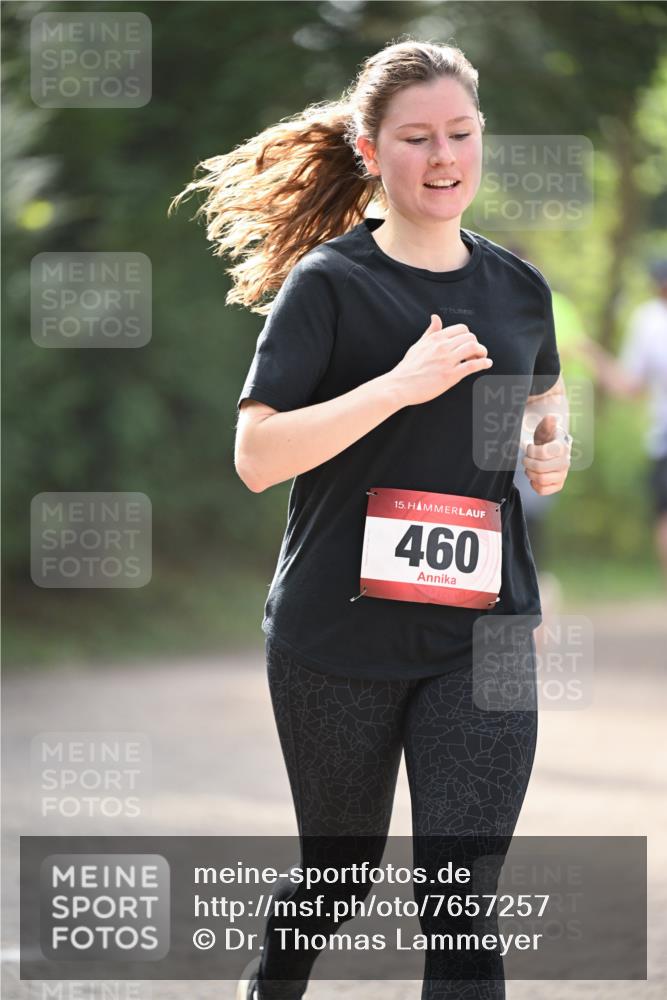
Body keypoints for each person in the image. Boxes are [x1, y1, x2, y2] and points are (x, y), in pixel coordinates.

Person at [170, 39, 571, 1000]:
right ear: (368, 149)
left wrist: (549, 446)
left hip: (483, 633)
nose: (443, 157)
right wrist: (397, 386)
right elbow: (257, 457)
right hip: (337, 634)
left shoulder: (517, 287)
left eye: (460, 134)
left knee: (460, 901)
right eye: (416, 137)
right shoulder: (330, 284)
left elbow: (541, 401)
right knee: (337, 877)